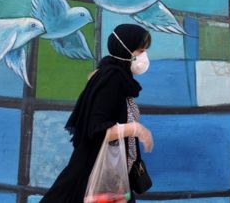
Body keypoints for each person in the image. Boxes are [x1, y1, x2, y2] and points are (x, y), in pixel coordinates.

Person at [41, 24, 154, 203]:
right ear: (124, 50)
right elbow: (96, 129)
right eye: (140, 50)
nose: (144, 56)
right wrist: (136, 129)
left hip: (113, 175)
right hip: (94, 173)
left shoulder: (119, 79)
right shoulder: (112, 79)